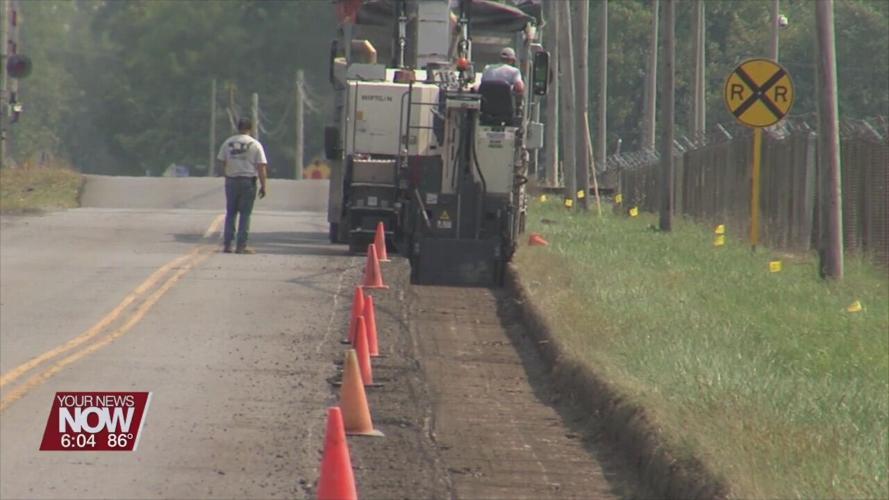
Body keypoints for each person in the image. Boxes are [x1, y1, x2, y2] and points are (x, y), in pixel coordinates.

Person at [216, 117, 268, 254]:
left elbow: (221, 161)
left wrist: (227, 174)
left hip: (231, 180)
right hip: (248, 181)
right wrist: (263, 185)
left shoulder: (228, 143)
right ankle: (241, 246)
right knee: (245, 214)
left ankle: (228, 245)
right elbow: (261, 167)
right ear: (251, 129)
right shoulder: (255, 144)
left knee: (231, 213)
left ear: (238, 127)